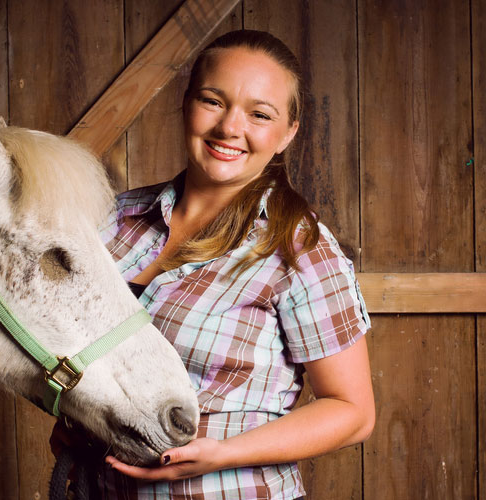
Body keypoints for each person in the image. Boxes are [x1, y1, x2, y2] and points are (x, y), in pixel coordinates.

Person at [55, 29, 374, 500]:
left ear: (288, 133)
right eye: (212, 101)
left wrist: (223, 453)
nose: (229, 128)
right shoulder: (112, 219)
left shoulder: (299, 249)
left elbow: (352, 411)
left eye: (259, 114)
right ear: (186, 105)